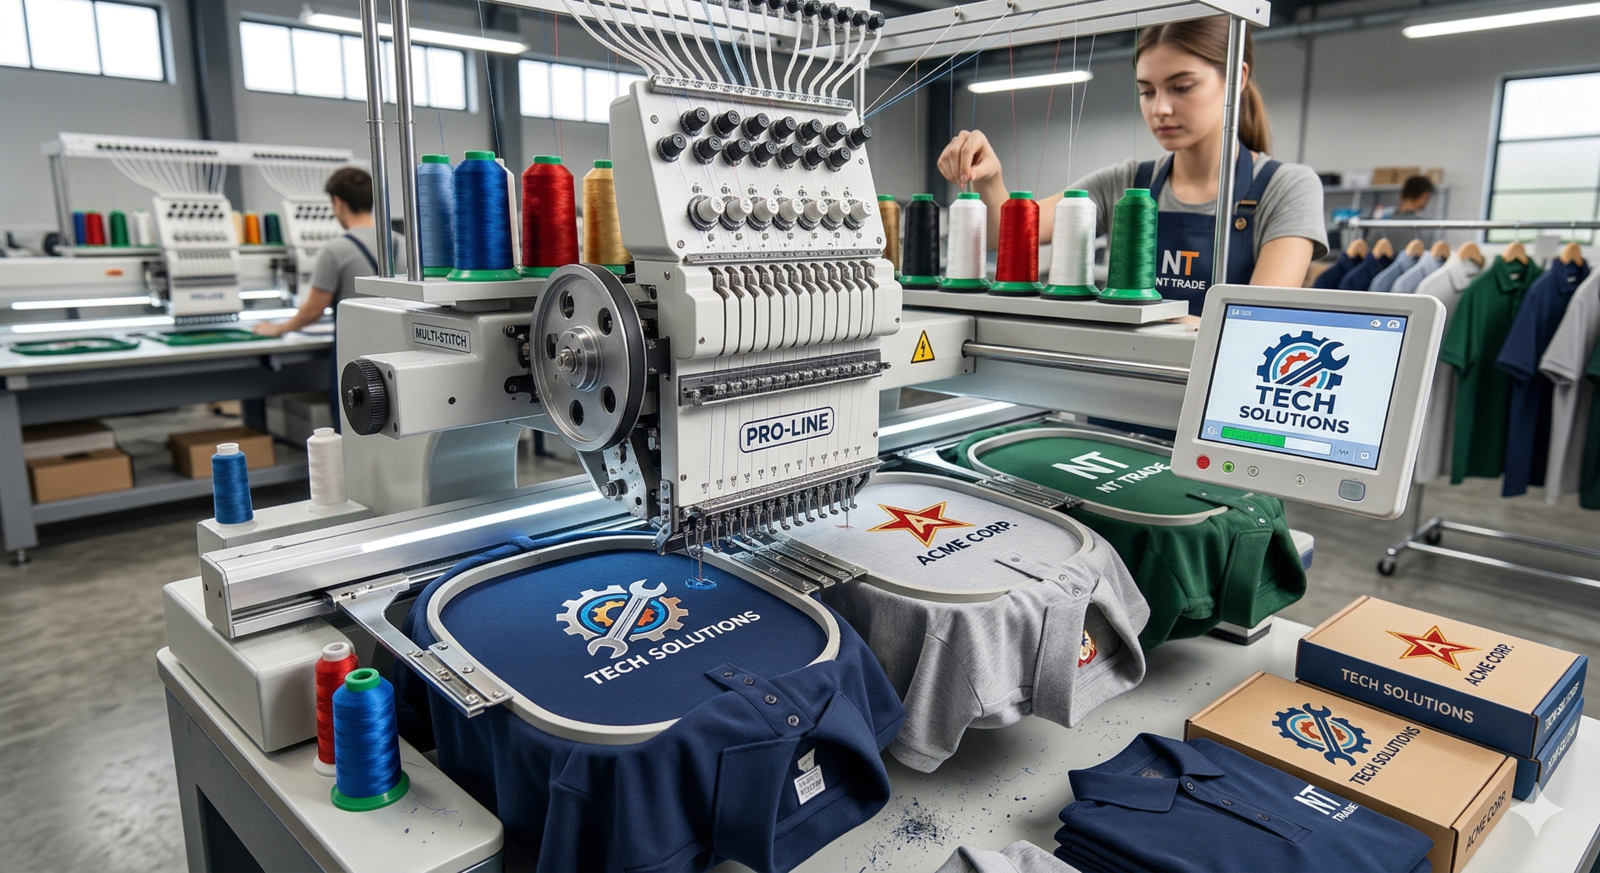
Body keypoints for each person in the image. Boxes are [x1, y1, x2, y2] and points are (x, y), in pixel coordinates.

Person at [937, 18, 1327, 316]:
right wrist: (990, 179)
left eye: (1182, 87)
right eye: (1146, 91)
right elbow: (1010, 238)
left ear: (1236, 78)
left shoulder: (1286, 188)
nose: (1160, 108)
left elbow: (1257, 321)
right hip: (1120, 392)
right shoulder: (1125, 183)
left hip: (1208, 408)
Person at [254, 166, 404, 431]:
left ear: (338, 202)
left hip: (355, 354)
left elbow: (313, 309)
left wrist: (278, 329)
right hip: (399, 348)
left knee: (356, 422)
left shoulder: (336, 250)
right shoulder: (402, 243)